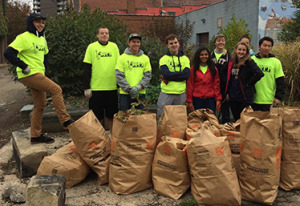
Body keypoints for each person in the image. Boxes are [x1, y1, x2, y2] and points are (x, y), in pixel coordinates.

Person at [4, 13, 74, 144]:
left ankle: (35, 136)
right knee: (56, 89)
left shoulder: (42, 39)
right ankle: (65, 120)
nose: (41, 24)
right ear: (31, 23)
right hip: (28, 74)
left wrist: (44, 71)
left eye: (42, 22)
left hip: (39, 74)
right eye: (37, 22)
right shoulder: (23, 37)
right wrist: (23, 66)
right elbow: (8, 52)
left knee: (40, 105)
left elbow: (45, 55)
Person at [83, 27, 119, 131]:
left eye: (106, 33)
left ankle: (113, 139)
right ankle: (99, 139)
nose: (104, 35)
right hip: (96, 88)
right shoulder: (91, 47)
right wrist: (86, 87)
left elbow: (119, 68)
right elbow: (87, 68)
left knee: (112, 115)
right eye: (102, 33)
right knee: (97, 117)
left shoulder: (114, 47)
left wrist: (118, 86)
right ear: (97, 35)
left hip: (111, 88)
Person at [224, 41, 264, 121]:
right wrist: (227, 92)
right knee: (236, 119)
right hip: (233, 96)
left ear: (246, 52)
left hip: (245, 97)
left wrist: (249, 84)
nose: (241, 52)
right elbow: (227, 76)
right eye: (239, 49)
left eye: (243, 50)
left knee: (245, 120)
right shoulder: (231, 62)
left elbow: (259, 73)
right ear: (235, 50)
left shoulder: (249, 62)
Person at [156, 34, 190, 118]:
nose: (174, 45)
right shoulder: (164, 59)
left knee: (178, 119)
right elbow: (166, 75)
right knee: (162, 118)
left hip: (180, 93)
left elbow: (186, 75)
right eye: (171, 43)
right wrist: (179, 75)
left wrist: (172, 76)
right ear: (167, 45)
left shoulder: (185, 59)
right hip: (166, 93)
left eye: (175, 42)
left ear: (178, 43)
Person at [115, 33, 152, 111]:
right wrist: (129, 89)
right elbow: (119, 75)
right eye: (133, 42)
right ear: (129, 43)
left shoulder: (145, 58)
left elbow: (147, 75)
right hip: (125, 94)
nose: (136, 44)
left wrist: (138, 87)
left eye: (138, 42)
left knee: (139, 119)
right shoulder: (122, 58)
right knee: (124, 118)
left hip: (140, 93)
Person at [252, 36, 285, 111]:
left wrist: (278, 97)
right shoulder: (252, 60)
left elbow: (280, 82)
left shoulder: (276, 62)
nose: (267, 48)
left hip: (269, 100)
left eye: (269, 46)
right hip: (253, 99)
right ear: (259, 47)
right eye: (264, 45)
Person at [186, 47, 222, 113]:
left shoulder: (213, 69)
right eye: (201, 55)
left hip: (210, 99)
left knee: (210, 120)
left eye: (206, 54)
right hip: (197, 99)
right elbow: (190, 85)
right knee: (199, 120)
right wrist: (189, 101)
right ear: (198, 56)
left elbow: (216, 85)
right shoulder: (193, 69)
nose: (204, 56)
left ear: (208, 56)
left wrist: (218, 99)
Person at [211, 34, 231, 123]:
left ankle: (225, 129)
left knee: (225, 110)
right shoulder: (210, 54)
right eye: (219, 40)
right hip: (211, 85)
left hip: (224, 86)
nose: (221, 42)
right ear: (215, 42)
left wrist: (229, 90)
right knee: (211, 108)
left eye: (222, 40)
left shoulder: (228, 55)